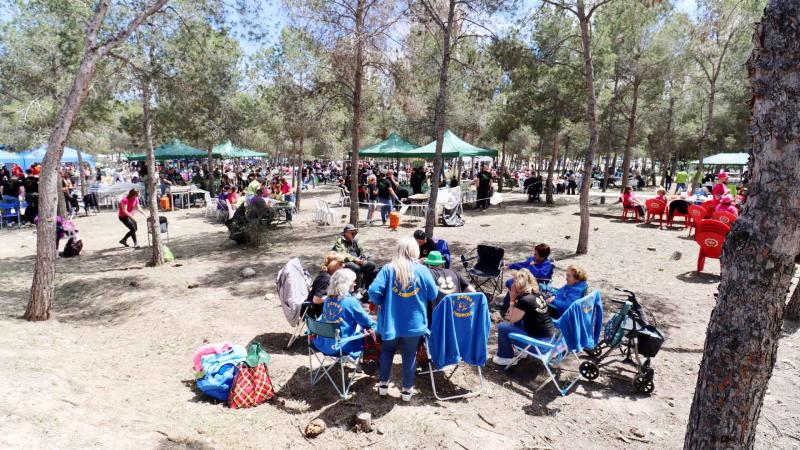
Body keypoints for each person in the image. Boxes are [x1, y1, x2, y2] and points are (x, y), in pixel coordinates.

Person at [368, 236, 438, 402]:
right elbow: (433, 294)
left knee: (386, 351)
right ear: (415, 250)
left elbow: (373, 292)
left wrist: (382, 302)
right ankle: (407, 391)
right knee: (410, 355)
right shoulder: (423, 270)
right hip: (414, 323)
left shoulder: (388, 269)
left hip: (390, 323)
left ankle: (383, 386)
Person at [492, 270, 556, 366]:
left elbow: (510, 318)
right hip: (549, 340)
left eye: (514, 283)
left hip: (540, 346)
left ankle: (505, 357)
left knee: (502, 327)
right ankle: (521, 352)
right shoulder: (537, 294)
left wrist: (512, 299)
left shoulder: (525, 301)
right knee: (519, 322)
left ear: (518, 285)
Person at [313, 269, 376, 358]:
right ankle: (365, 362)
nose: (355, 284)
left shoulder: (327, 299)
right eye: (353, 281)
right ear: (346, 283)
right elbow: (368, 323)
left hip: (323, 343)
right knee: (373, 329)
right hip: (342, 346)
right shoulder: (351, 302)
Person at [501, 243, 554, 315]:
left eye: (536, 254)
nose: (534, 255)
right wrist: (510, 266)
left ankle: (511, 306)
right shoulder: (533, 259)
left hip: (536, 284)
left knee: (515, 286)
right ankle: (507, 305)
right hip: (525, 281)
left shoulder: (547, 265)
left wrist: (532, 266)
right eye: (534, 253)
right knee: (511, 283)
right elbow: (523, 264)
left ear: (542, 257)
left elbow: (540, 275)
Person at [332, 224, 378, 291]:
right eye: (352, 233)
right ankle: (356, 289)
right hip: (345, 262)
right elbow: (342, 254)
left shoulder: (355, 241)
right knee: (356, 268)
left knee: (371, 265)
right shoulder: (340, 241)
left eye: (355, 233)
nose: (354, 235)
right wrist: (354, 259)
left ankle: (364, 286)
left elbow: (362, 251)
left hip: (358, 261)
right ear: (346, 233)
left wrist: (363, 258)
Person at [305, 252, 345, 318]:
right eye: (341, 263)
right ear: (333, 265)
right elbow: (316, 300)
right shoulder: (325, 278)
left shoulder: (328, 274)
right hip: (321, 312)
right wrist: (335, 297)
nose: (344, 265)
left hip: (327, 308)